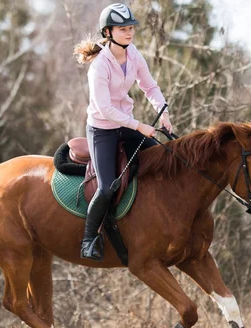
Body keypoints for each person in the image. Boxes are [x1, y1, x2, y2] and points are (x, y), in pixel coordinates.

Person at [73, 3, 173, 261]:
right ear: (108, 32)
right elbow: (105, 110)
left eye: (131, 28)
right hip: (103, 130)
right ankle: (88, 239)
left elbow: (150, 87)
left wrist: (164, 112)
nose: (129, 33)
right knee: (107, 187)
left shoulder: (134, 54)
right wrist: (140, 126)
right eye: (123, 29)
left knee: (164, 160)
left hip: (126, 125)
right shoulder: (99, 66)